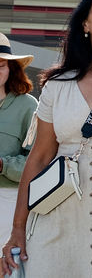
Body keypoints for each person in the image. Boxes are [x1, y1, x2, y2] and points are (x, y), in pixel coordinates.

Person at [1, 0, 92, 277]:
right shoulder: (57, 84)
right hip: (58, 211)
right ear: (85, 24)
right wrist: (18, 228)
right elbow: (39, 157)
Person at [0, 38, 36, 253]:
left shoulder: (28, 106)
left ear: (11, 69)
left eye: (0, 65)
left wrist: (3, 165)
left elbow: (38, 161)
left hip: (8, 200)